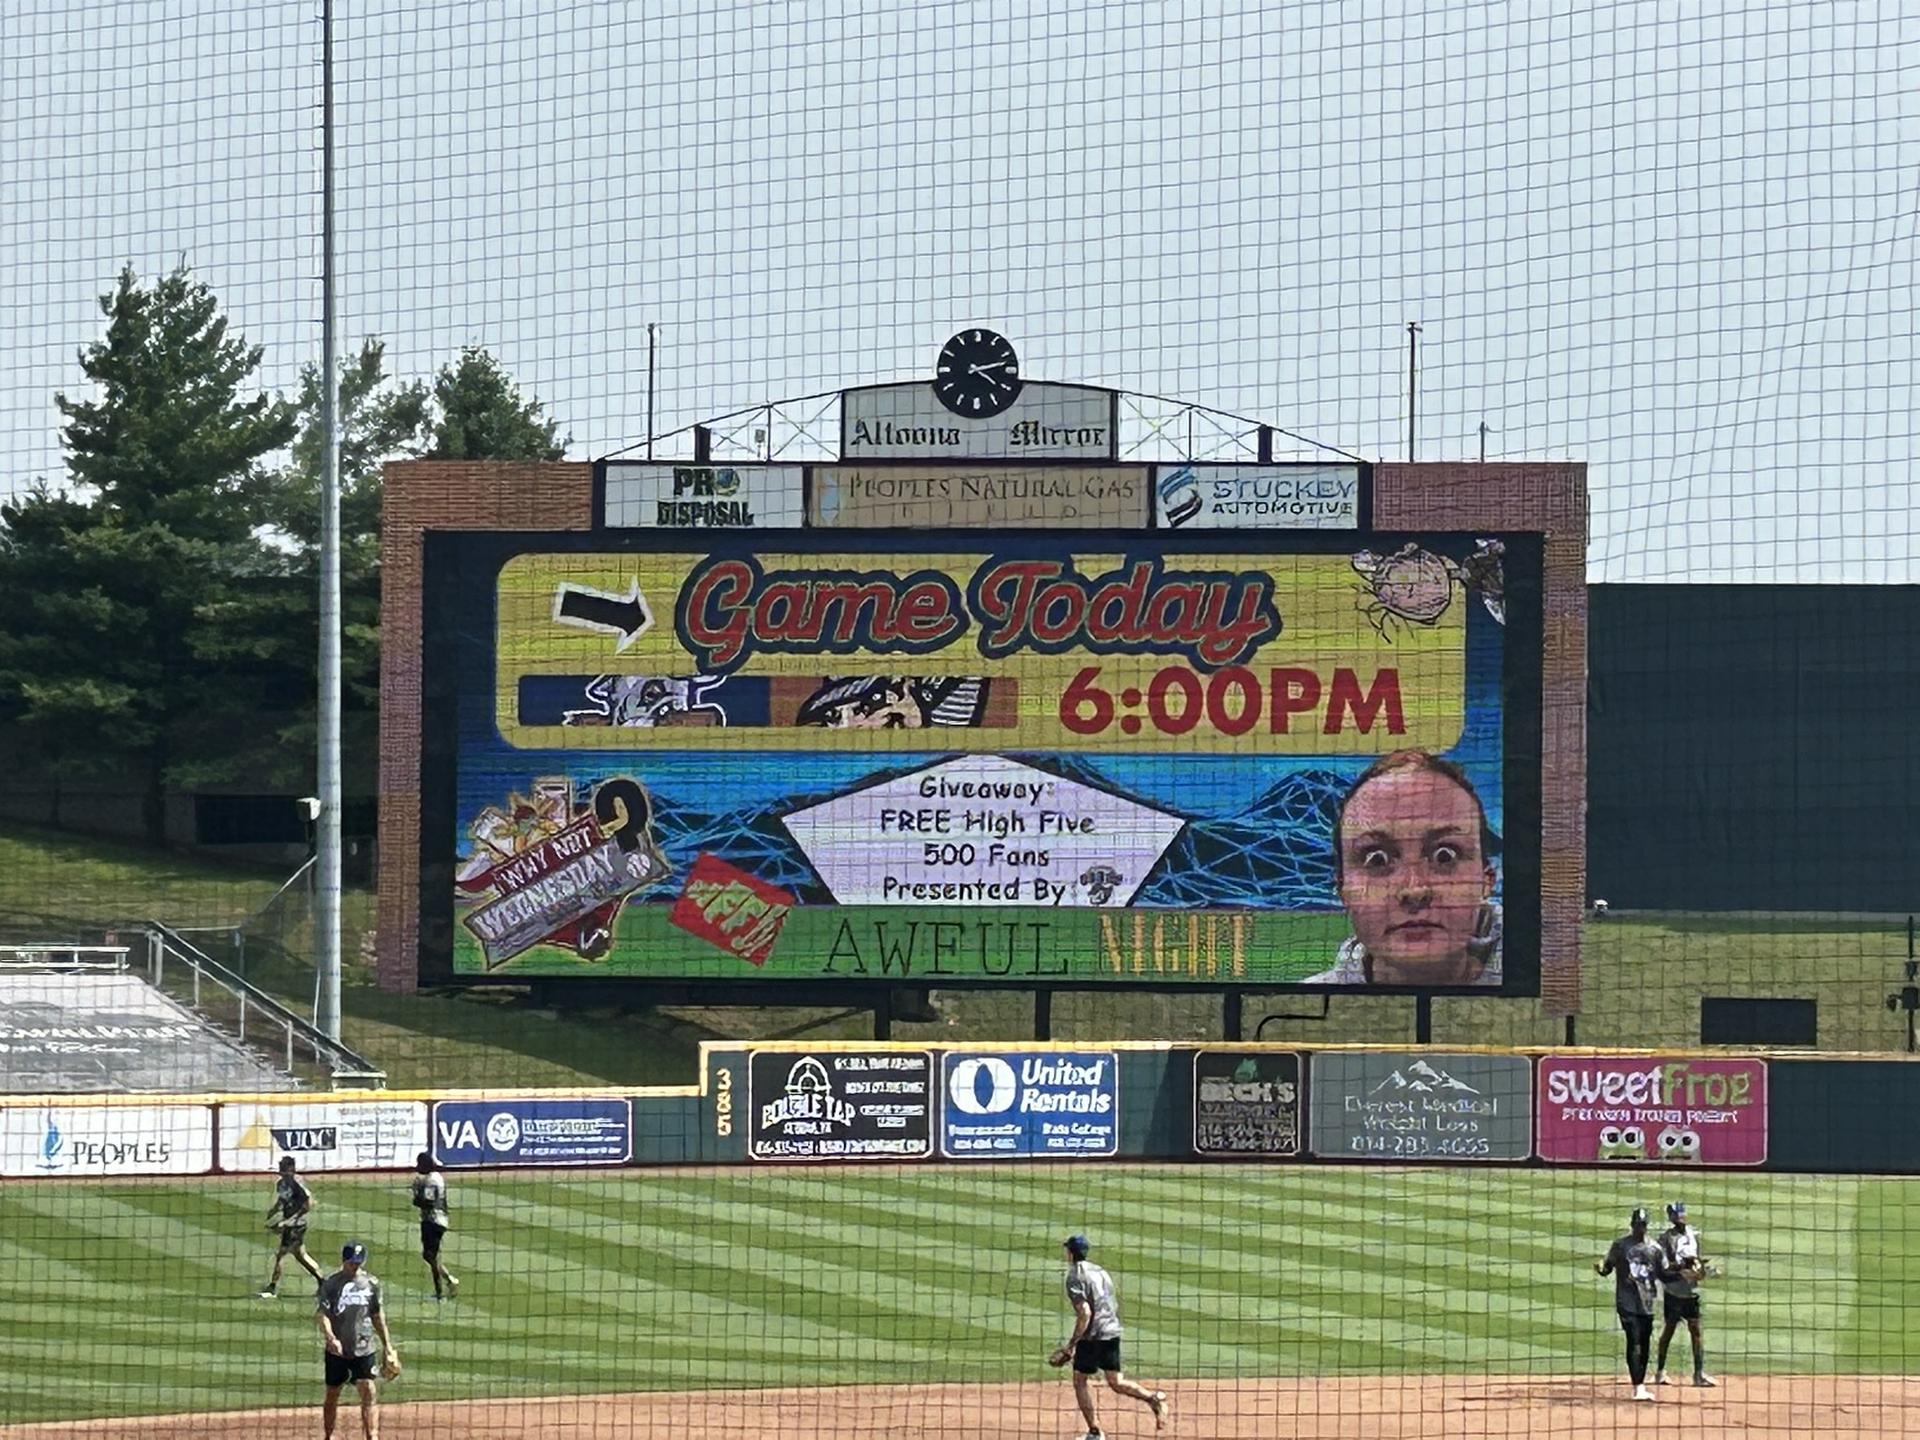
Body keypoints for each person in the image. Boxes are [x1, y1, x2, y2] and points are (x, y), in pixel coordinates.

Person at [1306, 749, 1502, 985]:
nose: (1415, 890)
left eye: (1445, 855)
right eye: (1376, 859)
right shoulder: (1297, 1008)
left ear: (1486, 879)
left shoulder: (1541, 1001)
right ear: (1343, 889)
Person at [1049, 1235, 1169, 1439]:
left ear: (1070, 1253)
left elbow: (1085, 1313)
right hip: (1111, 1330)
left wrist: (1071, 1345)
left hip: (1093, 1335)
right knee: (1116, 1382)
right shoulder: (1100, 1271)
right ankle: (1153, 1399)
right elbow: (1110, 1302)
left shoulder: (1074, 1277)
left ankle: (1095, 1432)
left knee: (1080, 1380)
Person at [315, 1241, 398, 1440]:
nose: (356, 1266)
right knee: (332, 1393)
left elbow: (377, 1316)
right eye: (352, 1262)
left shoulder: (371, 1284)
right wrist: (330, 1338)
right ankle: (329, 1436)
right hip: (337, 1351)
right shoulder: (331, 1284)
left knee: (369, 1390)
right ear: (344, 1261)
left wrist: (388, 1347)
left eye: (359, 1262)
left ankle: (372, 1436)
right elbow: (322, 1315)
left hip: (364, 1348)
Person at [1596, 1207, 1676, 1401]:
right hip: (1626, 1302)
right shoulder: (1620, 1246)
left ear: (1646, 1226)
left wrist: (1684, 1273)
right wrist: (1601, 1269)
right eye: (1637, 1225)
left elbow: (1664, 1274)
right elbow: (1607, 1268)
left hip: (1647, 1302)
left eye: (1642, 1225)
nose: (1639, 1228)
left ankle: (1640, 1384)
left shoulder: (1655, 1248)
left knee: (1645, 1342)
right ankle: (1638, 1386)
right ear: (1632, 1225)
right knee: (1634, 1341)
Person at [1655, 1202, 1716, 1387]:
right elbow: (1663, 1267)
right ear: (1671, 1217)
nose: (1680, 1217)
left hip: (1691, 1292)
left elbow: (1700, 1260)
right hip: (1674, 1292)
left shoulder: (1694, 1234)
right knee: (1669, 1331)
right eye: (1676, 1215)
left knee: (1696, 1331)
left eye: (1682, 1214)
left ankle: (1698, 1374)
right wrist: (1683, 1266)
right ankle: (1660, 1372)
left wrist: (1703, 1269)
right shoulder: (1665, 1239)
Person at [259, 1155, 323, 1299]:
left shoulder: (297, 1182)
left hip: (297, 1225)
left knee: (281, 1254)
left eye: (284, 1168)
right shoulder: (281, 1183)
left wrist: (290, 1221)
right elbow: (282, 1199)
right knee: (301, 1256)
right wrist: (273, 1211)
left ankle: (272, 1287)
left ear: (291, 1169)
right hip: (289, 1224)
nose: (281, 1171)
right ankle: (323, 1282)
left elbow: (309, 1203)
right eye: (280, 1167)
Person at [410, 1151, 459, 1302]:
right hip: (437, 1220)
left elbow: (428, 1202)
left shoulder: (431, 1181)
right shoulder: (436, 1177)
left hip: (433, 1221)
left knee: (431, 1256)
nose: (417, 1167)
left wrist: (416, 1193)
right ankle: (449, 1281)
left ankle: (441, 1292)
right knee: (430, 1256)